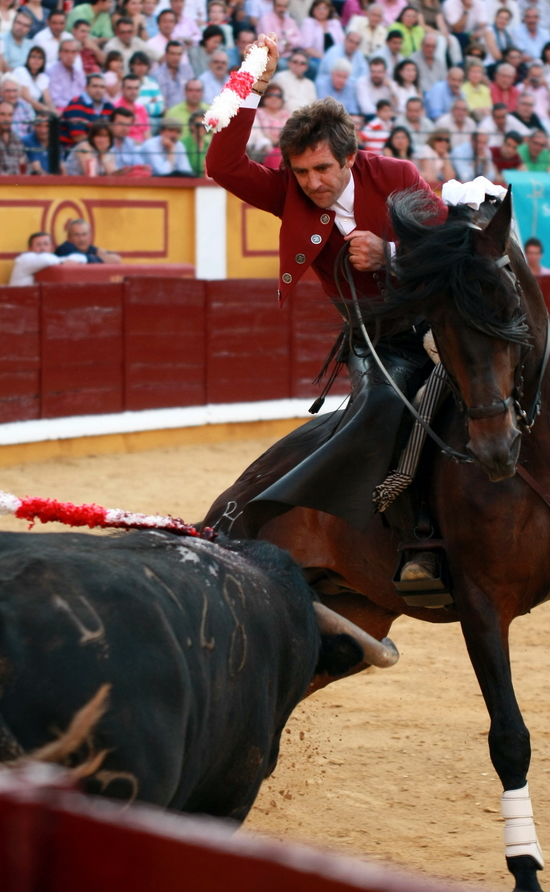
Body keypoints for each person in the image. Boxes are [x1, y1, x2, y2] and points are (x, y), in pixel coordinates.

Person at [207, 32, 447, 576]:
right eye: (301, 171)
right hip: (375, 339)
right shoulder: (289, 192)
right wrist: (250, 83)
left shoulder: (396, 178)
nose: (312, 183)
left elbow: (447, 249)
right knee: (382, 414)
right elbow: (222, 165)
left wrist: (391, 255)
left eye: (323, 170)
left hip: (435, 320)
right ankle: (419, 543)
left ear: (350, 158)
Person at [9, 231, 87, 285]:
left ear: (51, 247)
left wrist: (63, 261)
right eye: (38, 244)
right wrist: (63, 262)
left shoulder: (54, 260)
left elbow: (81, 257)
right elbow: (45, 259)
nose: (42, 248)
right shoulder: (24, 259)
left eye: (46, 244)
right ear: (30, 249)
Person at [61, 71, 114, 147]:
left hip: (101, 149)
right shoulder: (76, 103)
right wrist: (102, 142)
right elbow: (78, 137)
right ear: (86, 87)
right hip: (74, 149)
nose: (99, 90)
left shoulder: (108, 106)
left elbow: (113, 132)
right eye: (95, 86)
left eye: (102, 87)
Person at [299, 0, 344, 73]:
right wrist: (325, 58)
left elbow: (342, 44)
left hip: (336, 59)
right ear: (313, 10)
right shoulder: (308, 22)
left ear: (329, 10)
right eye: (318, 8)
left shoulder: (335, 23)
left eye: (325, 8)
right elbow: (307, 47)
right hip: (316, 58)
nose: (321, 11)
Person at [13, 45, 57, 114]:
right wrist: (46, 109)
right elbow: (27, 98)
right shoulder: (21, 71)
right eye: (33, 56)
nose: (36, 60)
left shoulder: (43, 77)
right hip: (19, 108)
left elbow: (48, 100)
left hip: (34, 110)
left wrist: (54, 110)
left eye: (40, 58)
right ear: (28, 58)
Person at [257, 0, 302, 68]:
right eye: (279, 5)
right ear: (273, 5)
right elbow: (269, 43)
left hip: (291, 55)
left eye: (284, 6)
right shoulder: (265, 20)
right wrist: (285, 46)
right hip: (272, 57)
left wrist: (289, 42)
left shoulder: (290, 21)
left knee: (309, 65)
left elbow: (300, 39)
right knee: (286, 66)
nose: (282, 9)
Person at [55, 218, 121, 262]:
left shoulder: (89, 248)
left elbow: (117, 259)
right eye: (76, 235)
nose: (82, 239)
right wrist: (99, 258)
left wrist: (96, 257)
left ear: (90, 236)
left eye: (84, 234)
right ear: (68, 238)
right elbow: (79, 258)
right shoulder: (64, 249)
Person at [0, 98, 28, 173]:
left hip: (17, 182)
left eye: (10, 115)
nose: (6, 119)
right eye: (2, 114)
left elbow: (24, 162)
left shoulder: (16, 138)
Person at [48, 38, 86, 109]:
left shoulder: (79, 72)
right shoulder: (52, 72)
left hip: (80, 109)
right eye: (66, 51)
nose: (70, 55)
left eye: (73, 52)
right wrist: (75, 106)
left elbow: (84, 94)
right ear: (59, 53)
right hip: (62, 110)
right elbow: (55, 100)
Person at [128, 51, 163, 129]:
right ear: (131, 65)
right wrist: (149, 103)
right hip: (131, 121)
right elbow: (128, 108)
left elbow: (160, 107)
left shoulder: (152, 83)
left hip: (152, 120)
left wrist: (140, 107)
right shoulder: (127, 82)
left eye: (144, 65)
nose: (141, 68)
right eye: (138, 64)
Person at [156, 38, 194, 108]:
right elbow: (160, 100)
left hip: (187, 111)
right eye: (172, 54)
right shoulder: (158, 75)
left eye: (179, 54)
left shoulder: (188, 70)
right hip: (168, 113)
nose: (176, 57)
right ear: (166, 54)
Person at [181, 107, 209, 172]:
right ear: (191, 125)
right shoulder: (182, 144)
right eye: (198, 125)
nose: (201, 128)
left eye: (205, 126)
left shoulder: (209, 145)